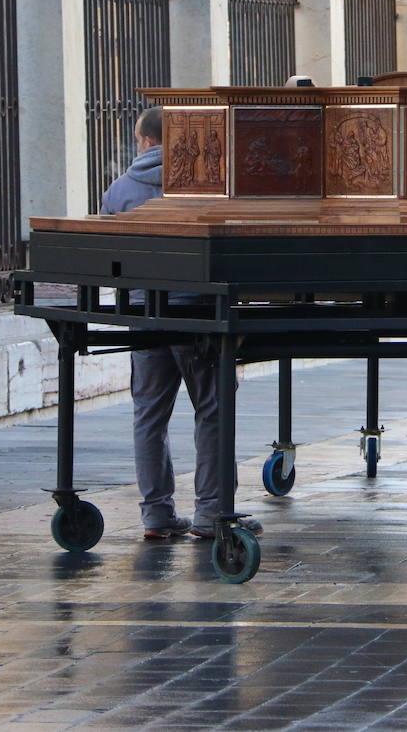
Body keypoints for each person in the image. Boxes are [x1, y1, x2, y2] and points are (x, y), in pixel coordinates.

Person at [100, 106, 261, 542]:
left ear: (149, 142)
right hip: (199, 315)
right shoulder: (205, 191)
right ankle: (211, 513)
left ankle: (156, 515)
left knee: (149, 415)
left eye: (138, 140)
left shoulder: (118, 191)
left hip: (144, 316)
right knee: (212, 411)